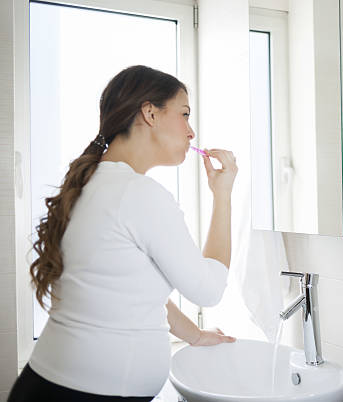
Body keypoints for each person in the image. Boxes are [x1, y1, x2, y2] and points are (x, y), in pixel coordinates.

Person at [8, 65, 238, 401]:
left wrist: (195, 335)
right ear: (149, 113)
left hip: (50, 385)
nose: (191, 132)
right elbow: (210, 288)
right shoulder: (138, 193)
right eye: (184, 114)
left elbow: (131, 287)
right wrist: (223, 196)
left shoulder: (92, 183)